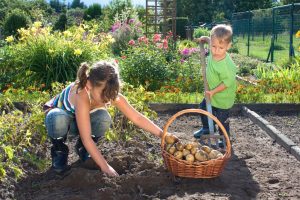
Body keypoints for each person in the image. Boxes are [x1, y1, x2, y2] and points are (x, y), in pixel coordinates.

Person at [44, 60, 167, 177]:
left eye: (111, 94)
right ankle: (59, 151)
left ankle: (83, 150)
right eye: (103, 94)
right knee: (57, 117)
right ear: (89, 85)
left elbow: (137, 118)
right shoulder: (81, 95)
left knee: (103, 118)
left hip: (83, 122)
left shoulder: (108, 93)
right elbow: (87, 138)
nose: (107, 99)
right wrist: (105, 167)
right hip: (63, 123)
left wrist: (163, 135)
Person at [193, 24, 237, 146]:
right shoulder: (214, 50)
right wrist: (205, 38)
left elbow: (226, 83)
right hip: (211, 94)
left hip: (223, 97)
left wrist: (213, 92)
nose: (216, 51)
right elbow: (211, 41)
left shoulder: (227, 65)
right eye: (213, 46)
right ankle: (206, 127)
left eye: (220, 48)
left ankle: (225, 138)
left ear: (228, 46)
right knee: (203, 109)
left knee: (222, 120)